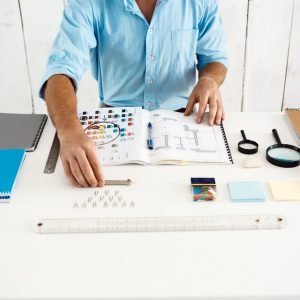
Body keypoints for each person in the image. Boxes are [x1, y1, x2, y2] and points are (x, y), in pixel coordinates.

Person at [39, 0, 228, 188]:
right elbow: (61, 68)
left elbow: (214, 58)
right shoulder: (87, 3)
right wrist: (68, 131)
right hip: (114, 123)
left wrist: (209, 79)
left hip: (181, 120)